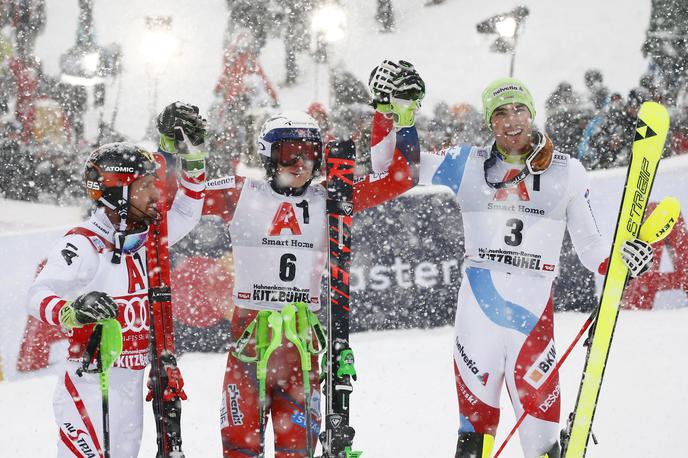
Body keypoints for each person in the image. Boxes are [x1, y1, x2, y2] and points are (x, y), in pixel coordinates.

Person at [368, 66, 654, 458]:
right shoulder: (468, 163)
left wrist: (620, 261)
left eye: (519, 109)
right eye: (500, 113)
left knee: (542, 444)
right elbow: (391, 171)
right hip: (477, 318)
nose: (511, 120)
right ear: (490, 122)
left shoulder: (567, 170)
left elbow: (591, 246)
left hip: (532, 316)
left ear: (531, 113)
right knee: (474, 435)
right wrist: (393, 114)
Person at [201, 73, 423, 456]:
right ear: (267, 155)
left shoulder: (331, 198)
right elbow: (175, 198)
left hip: (301, 347)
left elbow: (401, 177)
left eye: (309, 152)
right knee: (239, 449)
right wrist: (178, 153)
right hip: (250, 344)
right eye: (288, 152)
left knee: (297, 450)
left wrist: (396, 115)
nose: (300, 162)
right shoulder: (241, 193)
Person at [26, 102, 207, 457]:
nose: (157, 195)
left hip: (129, 391)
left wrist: (193, 158)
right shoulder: (84, 243)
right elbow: (37, 294)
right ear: (117, 195)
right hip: (90, 388)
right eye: (145, 186)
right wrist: (71, 312)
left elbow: (188, 208)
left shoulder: (147, 239)